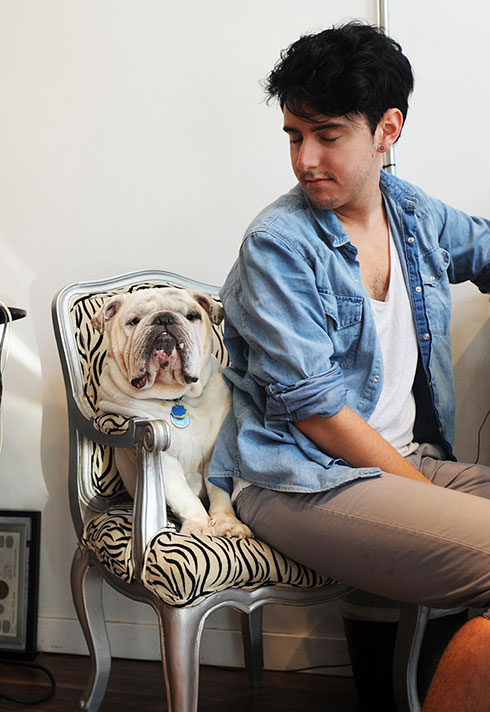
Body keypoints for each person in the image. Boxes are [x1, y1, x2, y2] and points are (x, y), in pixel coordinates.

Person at [208, 21, 490, 711]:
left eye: (327, 134)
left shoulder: (413, 213)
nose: (305, 159)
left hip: (405, 459)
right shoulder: (280, 243)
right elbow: (319, 415)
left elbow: (485, 248)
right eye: (293, 136)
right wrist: (431, 498)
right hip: (298, 480)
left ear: (386, 129)